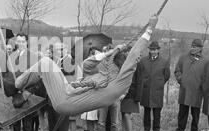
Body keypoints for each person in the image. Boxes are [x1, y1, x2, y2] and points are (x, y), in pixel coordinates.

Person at [9, 15, 159, 117]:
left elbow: (134, 56)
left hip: (65, 101)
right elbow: (87, 64)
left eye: (107, 62)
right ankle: (25, 90)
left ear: (115, 66)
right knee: (46, 65)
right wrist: (114, 50)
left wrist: (149, 29)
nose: (103, 64)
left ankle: (18, 85)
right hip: (65, 93)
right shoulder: (104, 75)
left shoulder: (120, 81)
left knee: (46, 62)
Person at [4, 32, 40, 131]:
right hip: (14, 90)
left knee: (27, 119)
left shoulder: (33, 57)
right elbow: (9, 73)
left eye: (22, 41)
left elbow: (36, 76)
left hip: (27, 91)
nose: (20, 44)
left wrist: (29, 91)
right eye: (18, 41)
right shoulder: (12, 55)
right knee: (15, 117)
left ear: (27, 42)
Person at [173, 39, 206, 131]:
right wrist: (181, 80)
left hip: (197, 91)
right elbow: (177, 70)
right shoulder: (183, 58)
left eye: (195, 46)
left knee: (195, 113)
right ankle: (179, 130)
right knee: (182, 112)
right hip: (185, 90)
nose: (193, 48)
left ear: (200, 48)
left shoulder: (204, 61)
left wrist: (202, 85)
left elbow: (206, 76)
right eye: (192, 46)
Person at [139, 41, 170, 131]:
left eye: (155, 50)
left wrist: (159, 83)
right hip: (146, 90)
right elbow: (140, 75)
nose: (153, 51)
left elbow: (167, 76)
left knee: (157, 112)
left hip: (157, 91)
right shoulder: (143, 61)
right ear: (149, 50)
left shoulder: (164, 61)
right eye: (151, 49)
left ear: (158, 50)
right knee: (147, 112)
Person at [119, 49, 142, 131]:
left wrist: (138, 96)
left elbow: (140, 81)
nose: (127, 54)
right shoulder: (123, 65)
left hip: (132, 93)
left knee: (127, 114)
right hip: (122, 93)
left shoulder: (138, 65)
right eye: (126, 52)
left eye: (129, 52)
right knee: (123, 115)